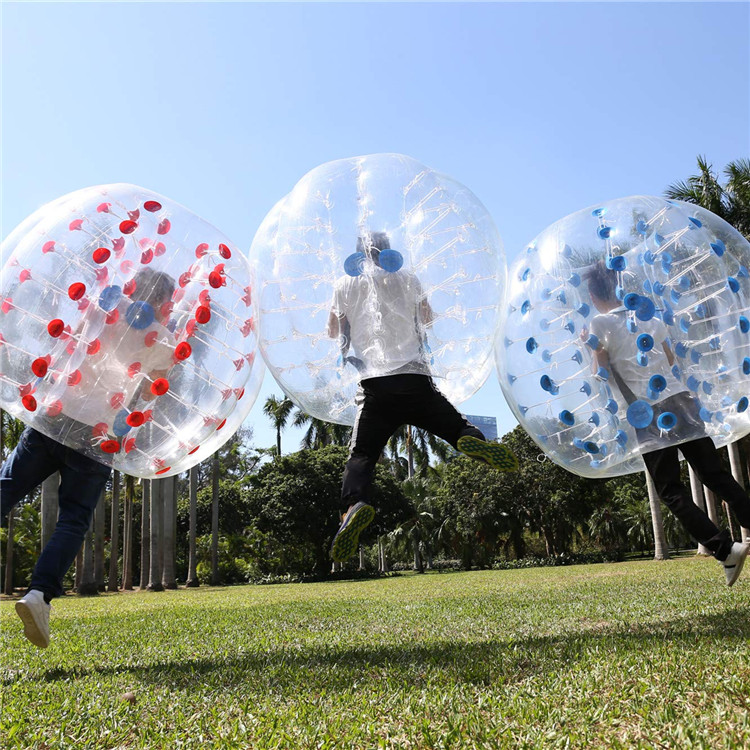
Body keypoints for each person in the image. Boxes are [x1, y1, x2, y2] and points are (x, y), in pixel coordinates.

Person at [1, 268, 177, 647]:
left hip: (55, 412)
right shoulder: (164, 339)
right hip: (97, 434)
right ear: (163, 301)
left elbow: (74, 342)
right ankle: (38, 594)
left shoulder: (106, 302)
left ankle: (39, 593)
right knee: (74, 518)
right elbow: (151, 394)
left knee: (6, 488)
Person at [327, 232, 517, 563]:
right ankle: (471, 438)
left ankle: (354, 504)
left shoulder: (344, 284)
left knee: (362, 455)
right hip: (414, 378)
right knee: (454, 425)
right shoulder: (408, 278)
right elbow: (428, 317)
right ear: (388, 251)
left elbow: (333, 330)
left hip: (374, 386)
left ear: (357, 256)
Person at [584, 260, 750, 585]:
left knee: (670, 490)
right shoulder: (648, 315)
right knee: (713, 474)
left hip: (647, 413)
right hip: (682, 400)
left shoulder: (599, 323)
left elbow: (599, 374)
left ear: (593, 295)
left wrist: (590, 347)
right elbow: (670, 360)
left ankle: (725, 550)